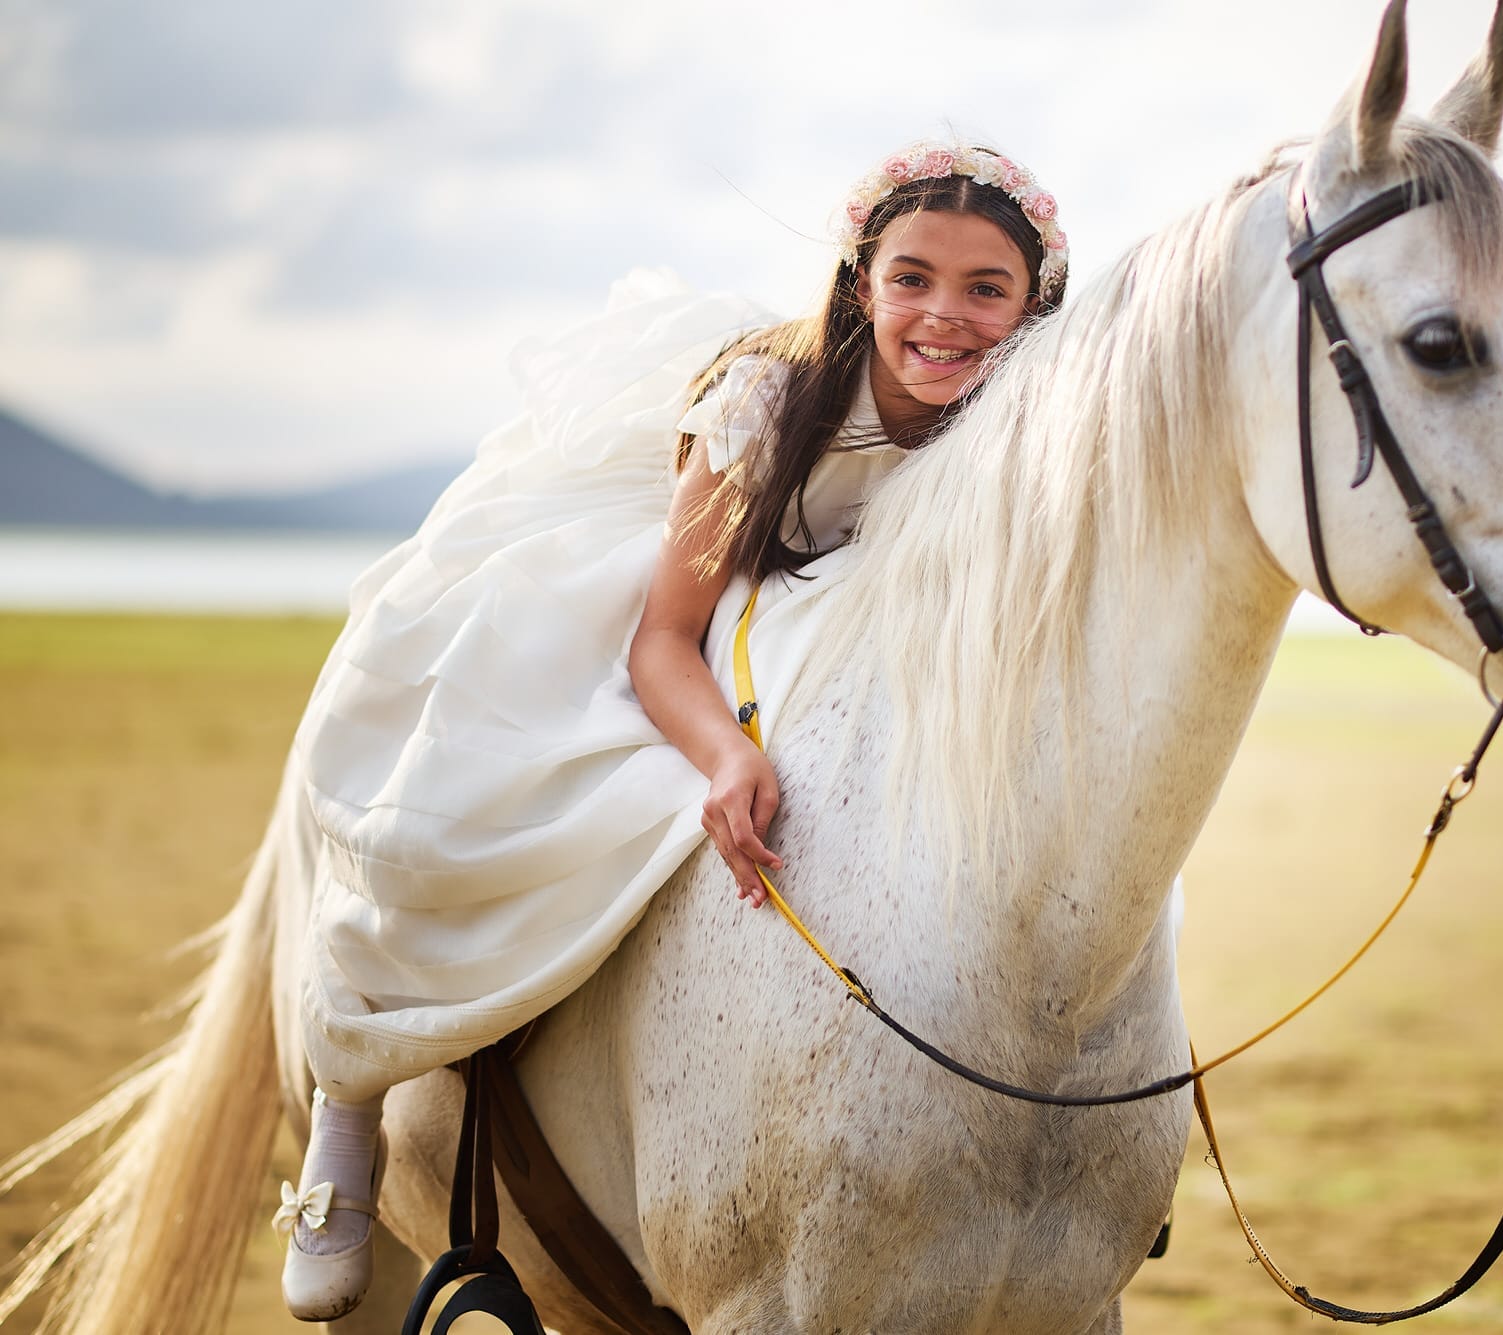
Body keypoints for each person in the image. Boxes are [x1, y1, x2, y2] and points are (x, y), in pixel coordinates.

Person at [272, 140, 1070, 1321]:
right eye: (912, 278)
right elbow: (664, 635)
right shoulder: (768, 398)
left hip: (836, 639)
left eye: (984, 288)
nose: (943, 316)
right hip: (681, 608)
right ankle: (349, 1101)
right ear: (860, 282)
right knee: (486, 782)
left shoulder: (1025, 422)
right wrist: (725, 753)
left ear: (1029, 305)